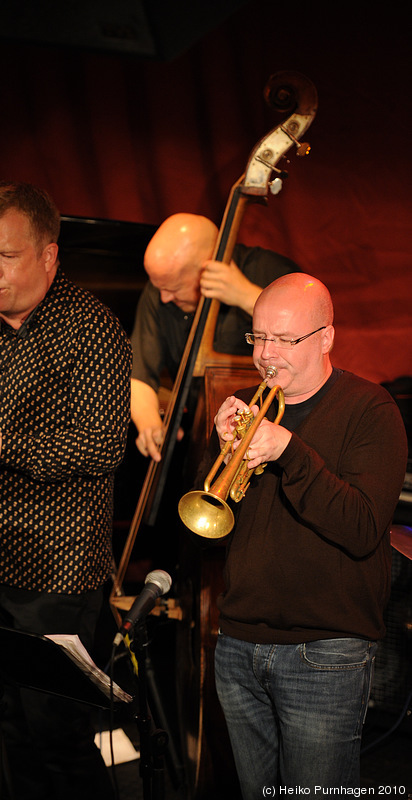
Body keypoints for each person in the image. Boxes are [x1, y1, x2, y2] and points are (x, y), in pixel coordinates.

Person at [0, 181, 132, 800]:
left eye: (6, 257)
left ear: (49, 255)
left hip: (58, 575)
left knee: (60, 745)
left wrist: (6, 449)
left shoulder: (91, 327)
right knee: (16, 735)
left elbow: (105, 445)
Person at [204, 272, 407, 796]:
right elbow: (212, 526)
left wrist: (288, 453)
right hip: (239, 644)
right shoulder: (248, 403)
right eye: (259, 338)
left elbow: (363, 529)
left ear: (326, 338)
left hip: (324, 653)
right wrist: (217, 448)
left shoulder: (370, 410)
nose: (267, 354)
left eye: (285, 340)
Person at [130, 212, 300, 461]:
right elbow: (140, 373)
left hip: (275, 440)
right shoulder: (160, 289)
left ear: (207, 267)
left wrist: (244, 295)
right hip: (199, 443)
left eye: (173, 288)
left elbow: (305, 333)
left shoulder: (272, 271)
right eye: (160, 288)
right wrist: (149, 424)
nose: (164, 297)